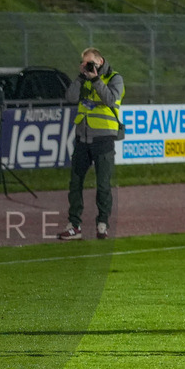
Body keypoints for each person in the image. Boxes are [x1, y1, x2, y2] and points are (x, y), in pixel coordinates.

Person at [57, 47, 125, 241]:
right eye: (85, 63)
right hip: (82, 138)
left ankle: (102, 224)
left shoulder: (114, 78)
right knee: (75, 183)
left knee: (103, 185)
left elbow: (111, 99)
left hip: (103, 138)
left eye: (91, 63)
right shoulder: (83, 78)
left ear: (100, 61)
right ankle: (74, 226)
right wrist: (80, 77)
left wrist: (95, 79)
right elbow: (70, 97)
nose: (88, 66)